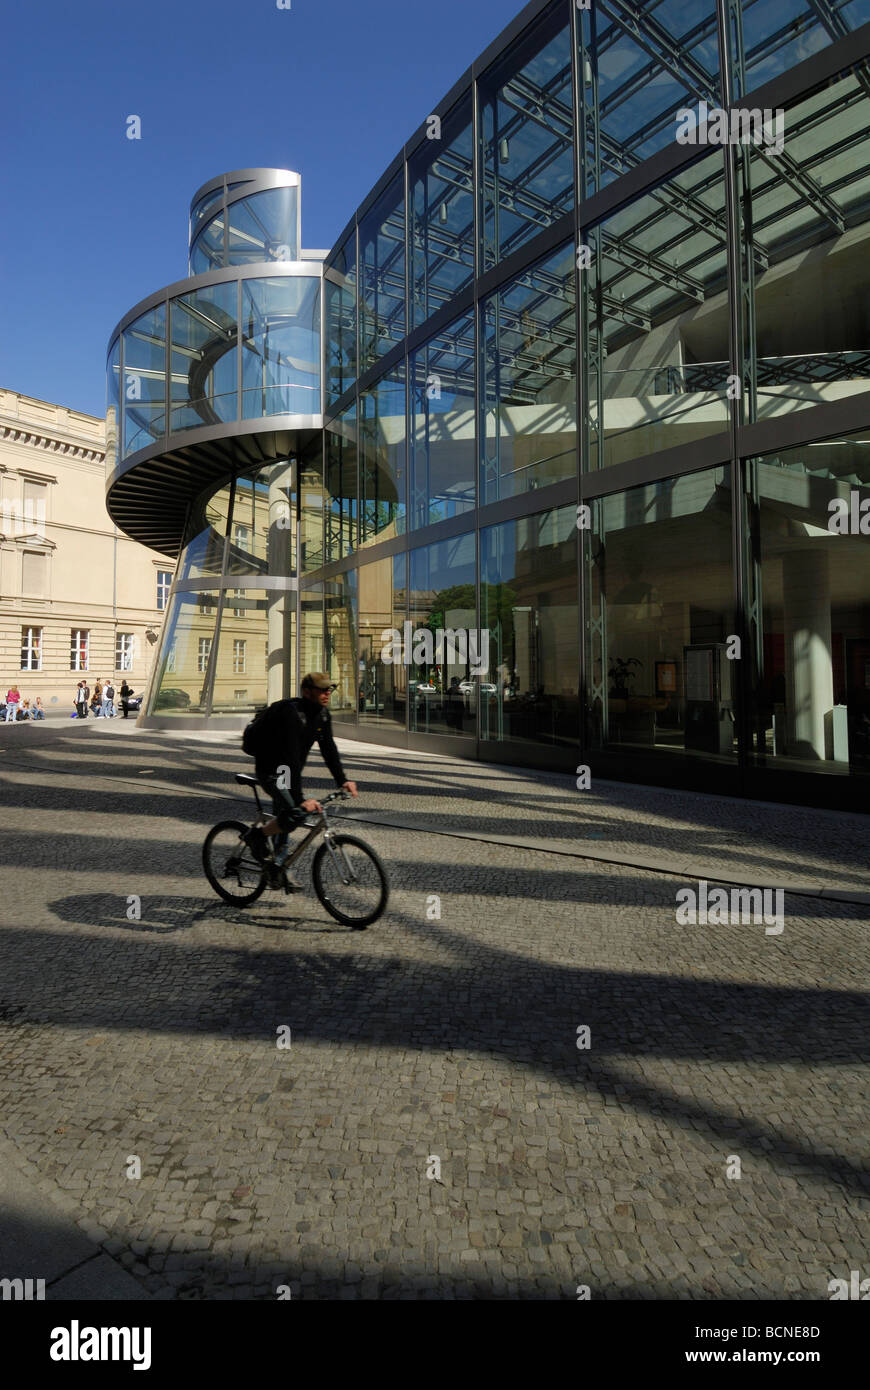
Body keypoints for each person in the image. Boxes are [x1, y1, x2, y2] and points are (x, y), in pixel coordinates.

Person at [245, 672, 358, 885]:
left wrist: (342, 780)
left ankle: (278, 866)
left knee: (288, 814)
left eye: (329, 690)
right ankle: (257, 836)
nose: (327, 694)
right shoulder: (291, 714)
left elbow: (329, 750)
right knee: (295, 813)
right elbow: (289, 758)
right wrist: (299, 799)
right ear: (307, 692)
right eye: (322, 690)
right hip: (271, 770)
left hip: (288, 770)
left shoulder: (322, 715)